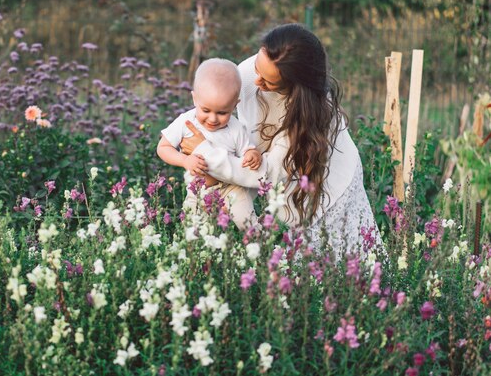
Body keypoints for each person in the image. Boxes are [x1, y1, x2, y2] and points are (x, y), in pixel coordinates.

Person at [180, 24, 382, 258]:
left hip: (330, 193)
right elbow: (226, 131)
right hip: (283, 189)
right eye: (258, 66)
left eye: (270, 83)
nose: (257, 82)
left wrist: (208, 155)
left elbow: (269, 174)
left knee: (351, 267)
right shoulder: (245, 74)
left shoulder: (312, 113)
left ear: (296, 89)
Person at [157, 58, 262, 229]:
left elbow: (247, 151)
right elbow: (163, 147)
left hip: (231, 188)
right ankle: (202, 255)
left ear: (235, 105)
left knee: (247, 222)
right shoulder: (186, 122)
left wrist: (252, 154)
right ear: (194, 99)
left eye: (222, 112)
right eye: (206, 110)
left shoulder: (235, 127)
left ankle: (261, 246)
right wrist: (184, 160)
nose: (213, 119)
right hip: (198, 191)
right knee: (193, 230)